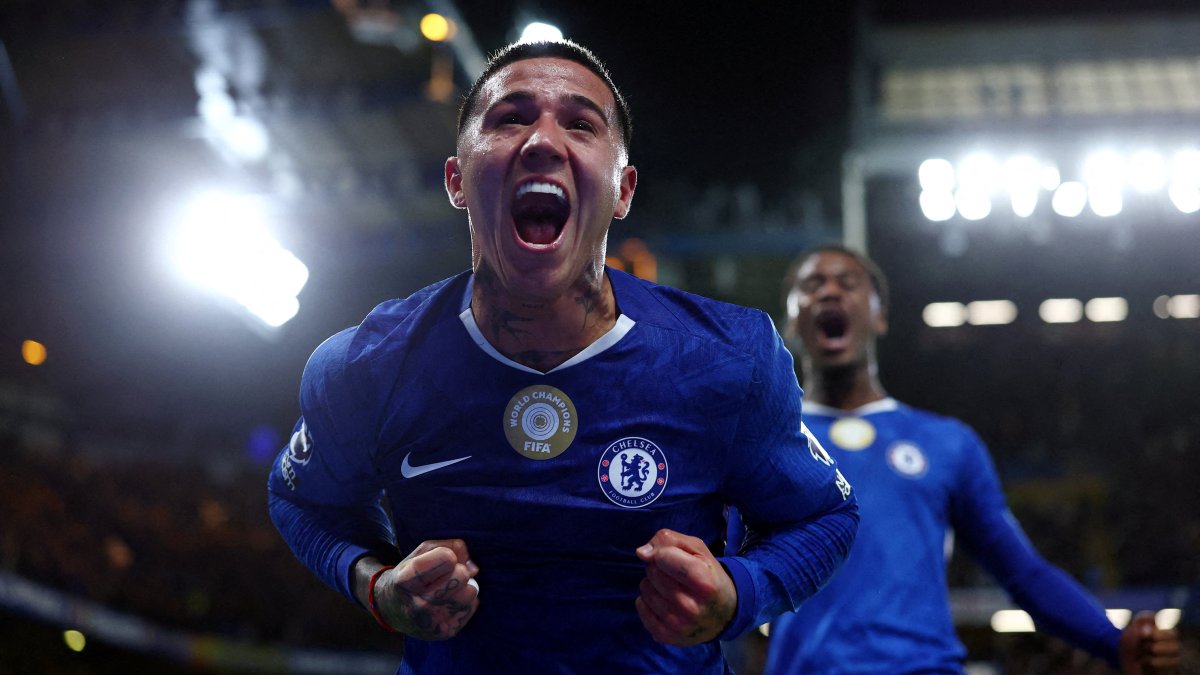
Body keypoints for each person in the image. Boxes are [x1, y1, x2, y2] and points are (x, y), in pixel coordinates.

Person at [266, 40, 858, 674]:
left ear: (623, 189)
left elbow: (824, 515)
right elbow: (301, 499)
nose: (543, 142)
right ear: (457, 180)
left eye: (580, 123)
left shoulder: (730, 358)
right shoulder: (367, 365)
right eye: (510, 118)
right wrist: (376, 585)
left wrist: (742, 593)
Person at [727, 244, 1181, 674]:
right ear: (789, 320)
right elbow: (719, 573)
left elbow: (1023, 571)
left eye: (848, 282)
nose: (829, 290)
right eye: (811, 285)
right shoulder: (763, 443)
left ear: (880, 315)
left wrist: (1111, 640)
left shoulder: (947, 443)